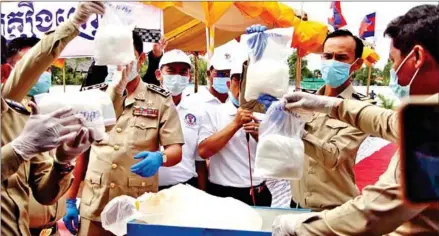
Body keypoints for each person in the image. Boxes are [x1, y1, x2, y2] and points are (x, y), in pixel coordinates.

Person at [274, 4, 439, 235]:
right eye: (327, 56)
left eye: (393, 61)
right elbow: (388, 122)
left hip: (339, 214)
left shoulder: (432, 123)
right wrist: (331, 105)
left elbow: (374, 212)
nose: (393, 71)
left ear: (417, 57)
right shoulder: (427, 113)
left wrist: (299, 228)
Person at [64, 31, 185, 236]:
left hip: (138, 208)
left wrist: (161, 157)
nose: (120, 64)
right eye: (113, 57)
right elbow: (81, 154)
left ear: (141, 59)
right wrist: (70, 199)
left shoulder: (160, 100)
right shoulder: (93, 97)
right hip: (95, 205)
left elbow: (175, 149)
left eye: (126, 56)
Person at [1, 2, 104, 236]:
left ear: (3, 73)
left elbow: (45, 194)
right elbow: (29, 68)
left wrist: (62, 162)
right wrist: (18, 151)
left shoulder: (17, 116)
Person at [288, 30, 369, 211]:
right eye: (327, 56)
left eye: (341, 58)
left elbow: (334, 156)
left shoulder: (361, 109)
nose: (333, 62)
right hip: (295, 206)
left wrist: (295, 130)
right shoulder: (305, 101)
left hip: (333, 211)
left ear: (357, 64)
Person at [198, 61, 272, 206]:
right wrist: (235, 124)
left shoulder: (267, 114)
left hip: (257, 193)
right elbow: (203, 151)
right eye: (238, 79)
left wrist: (260, 136)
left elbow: (277, 158)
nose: (244, 85)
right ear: (228, 85)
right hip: (222, 195)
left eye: (249, 80)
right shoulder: (213, 112)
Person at [155, 49, 207, 190]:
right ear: (159, 75)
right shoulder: (146, 107)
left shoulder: (197, 110)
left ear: (189, 77)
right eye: (171, 71)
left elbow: (199, 160)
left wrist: (202, 193)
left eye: (183, 72)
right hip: (150, 187)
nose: (178, 76)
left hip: (186, 187)